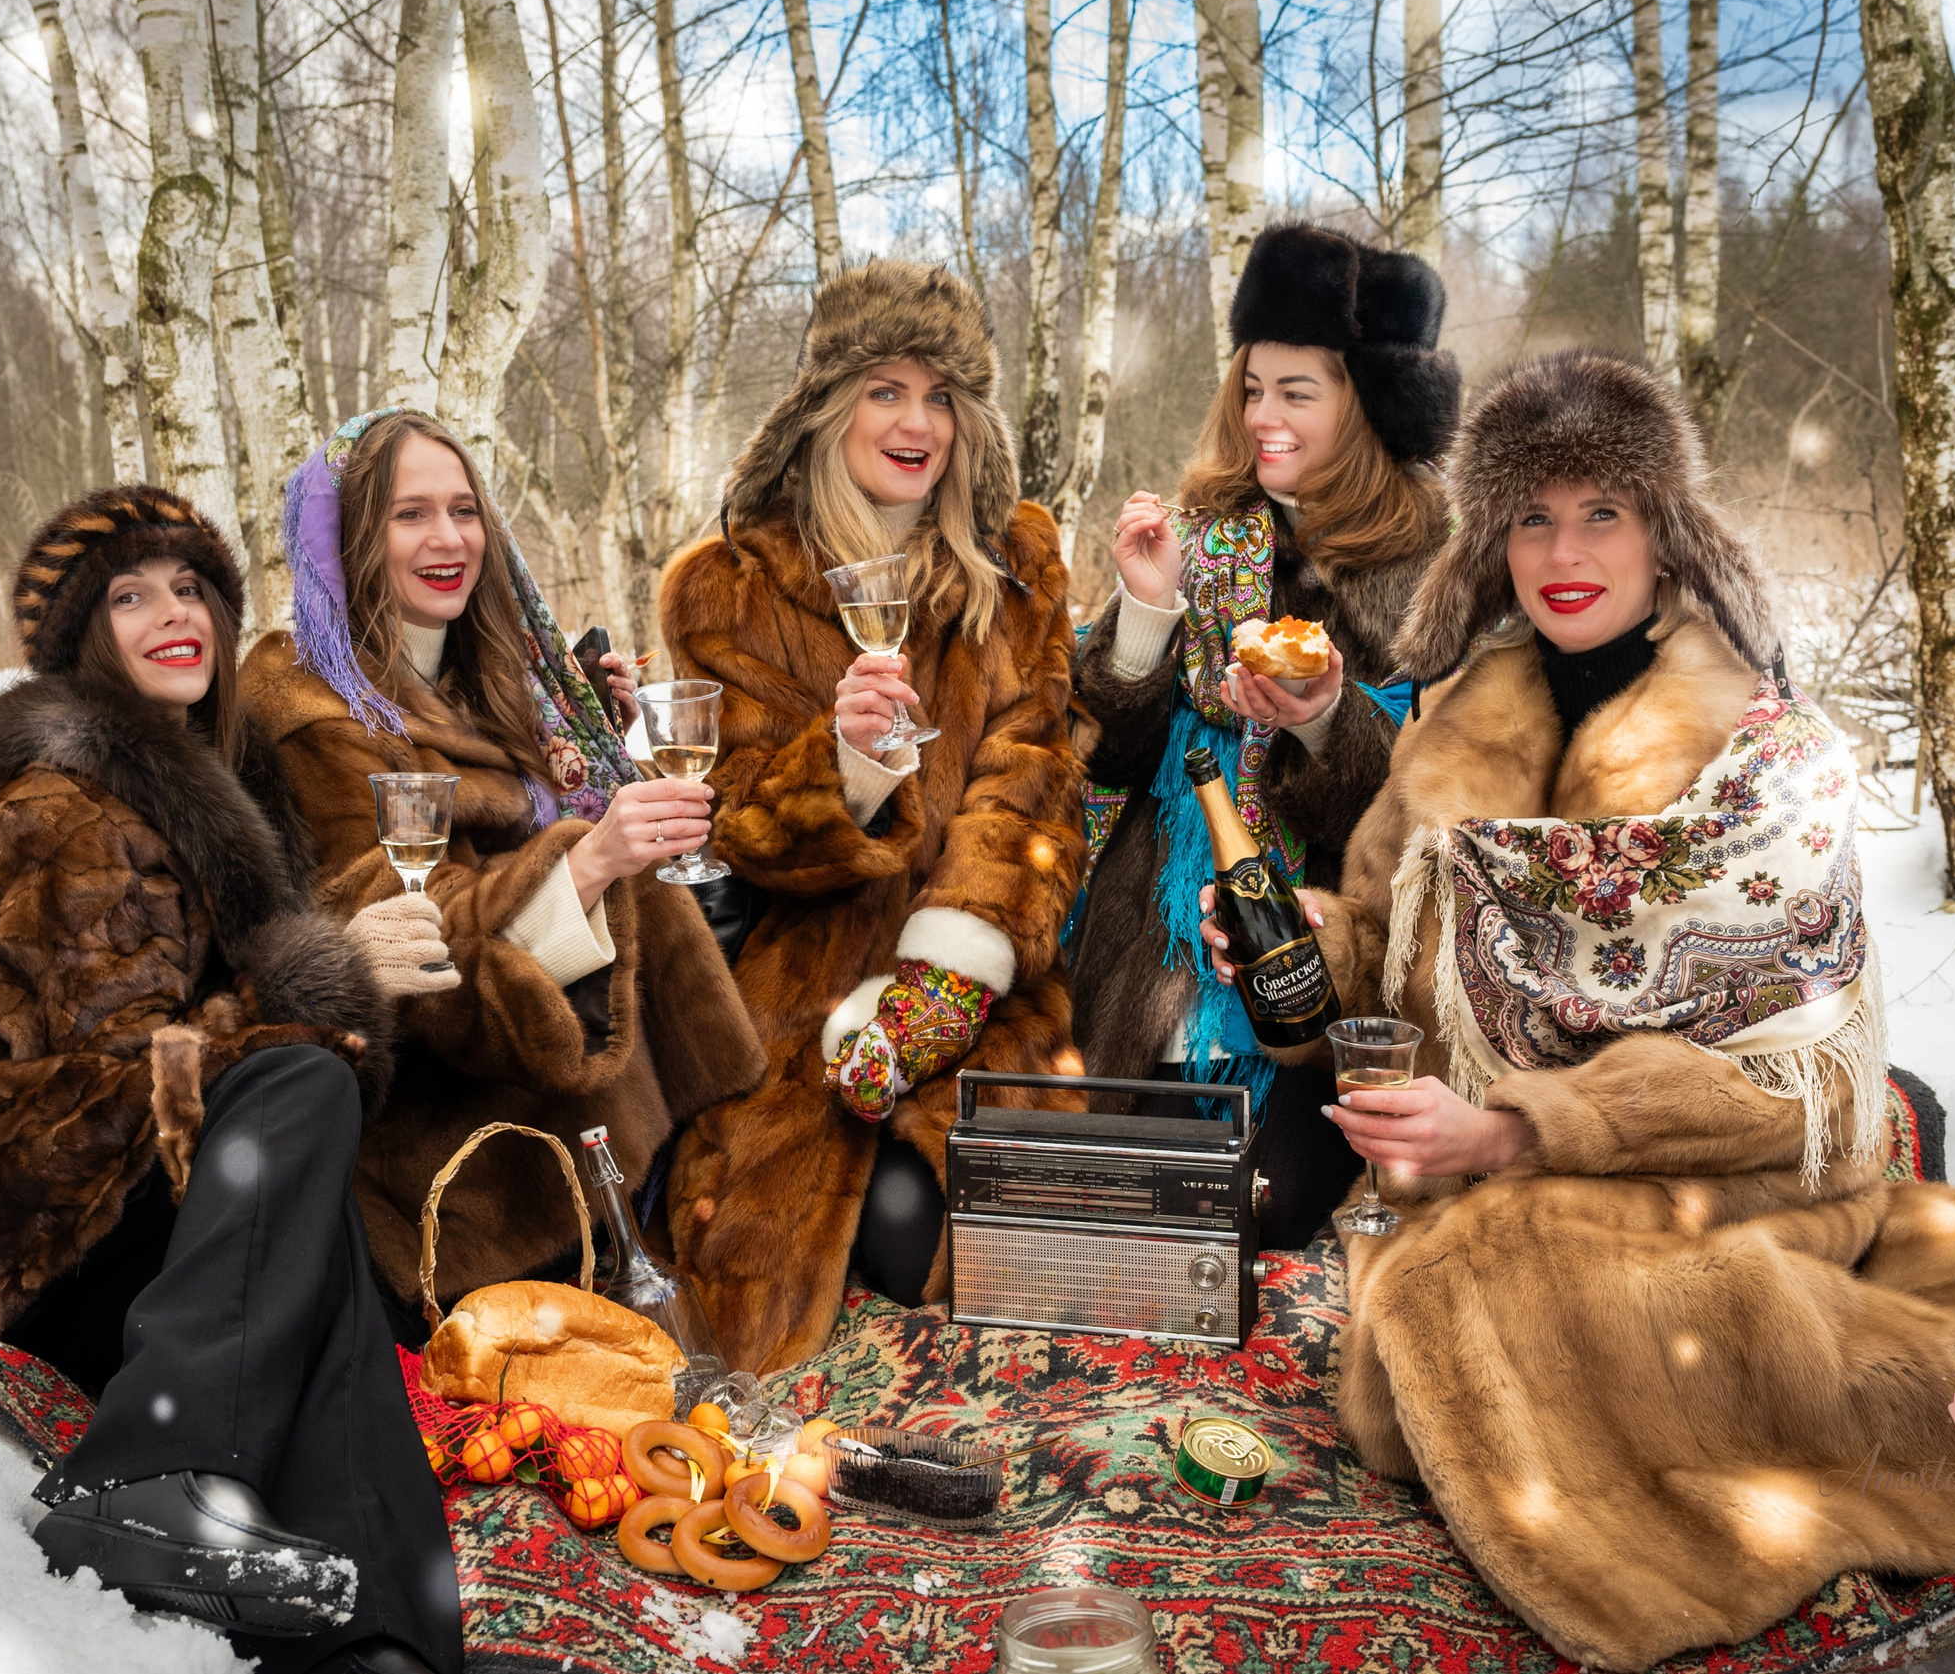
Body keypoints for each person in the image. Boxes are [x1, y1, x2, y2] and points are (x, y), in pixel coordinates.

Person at [1220, 350, 1955, 1673]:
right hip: (1479, 1160)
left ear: (1663, 529)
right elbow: (1402, 962)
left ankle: (1819, 1472)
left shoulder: (1763, 753)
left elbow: (1788, 1080)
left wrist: (1513, 1130)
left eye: (1601, 512)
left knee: (1464, 1290)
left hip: (1722, 1162)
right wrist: (1292, 950)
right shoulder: (1459, 719)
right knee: (1438, 1319)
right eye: (1532, 515)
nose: (1565, 547)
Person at [0, 487, 465, 1674]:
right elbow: (113, 1072)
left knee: (309, 1190)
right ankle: (146, 1476)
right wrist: (314, 994)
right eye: (130, 596)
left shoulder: (216, 790)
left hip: (109, 1180)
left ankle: (381, 1640)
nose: (172, 615)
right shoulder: (61, 801)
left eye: (190, 589)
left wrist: (308, 998)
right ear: (87, 641)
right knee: (297, 1094)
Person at [657, 260, 1089, 1373]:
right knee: (765, 1289)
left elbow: (1033, 783)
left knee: (963, 1251)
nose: (917, 422)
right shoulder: (729, 585)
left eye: (942, 394)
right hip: (797, 990)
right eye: (885, 390)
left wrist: (948, 975)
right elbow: (732, 820)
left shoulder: (1015, 565)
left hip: (976, 986)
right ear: (825, 403)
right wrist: (844, 765)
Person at [242, 409, 763, 1326]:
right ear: (350, 536)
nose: (448, 539)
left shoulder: (504, 675)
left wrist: (598, 757)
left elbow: (567, 816)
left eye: (463, 509)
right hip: (460, 1146)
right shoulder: (308, 704)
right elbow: (413, 925)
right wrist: (591, 854)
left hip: (600, 1080)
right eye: (410, 515)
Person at [1068, 222, 1456, 1246]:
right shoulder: (1199, 533)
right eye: (1252, 387)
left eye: (1299, 391)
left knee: (1264, 1203)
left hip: (1322, 951)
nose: (1265, 418)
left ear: (1361, 402)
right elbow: (1101, 751)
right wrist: (1147, 611)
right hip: (1152, 934)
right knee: (1133, 1193)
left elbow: (1417, 800)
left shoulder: (1425, 566)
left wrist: (1325, 717)